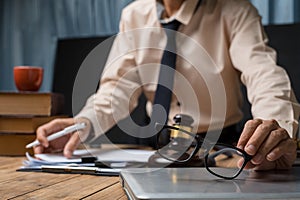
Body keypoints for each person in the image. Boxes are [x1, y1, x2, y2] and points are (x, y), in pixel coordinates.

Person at [34, 0, 300, 171]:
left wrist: (274, 130)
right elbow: (116, 91)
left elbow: (264, 74)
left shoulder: (236, 11)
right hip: (154, 146)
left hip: (219, 148)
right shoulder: (133, 15)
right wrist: (82, 124)